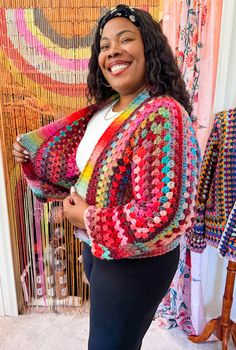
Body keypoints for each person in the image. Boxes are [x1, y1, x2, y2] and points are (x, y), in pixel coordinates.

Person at [12, 4, 200, 350]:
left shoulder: (161, 114)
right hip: (97, 248)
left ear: (150, 49)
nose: (112, 49)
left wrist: (86, 216)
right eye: (104, 44)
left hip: (136, 263)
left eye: (126, 39)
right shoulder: (107, 110)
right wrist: (33, 155)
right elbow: (79, 172)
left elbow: (164, 213)